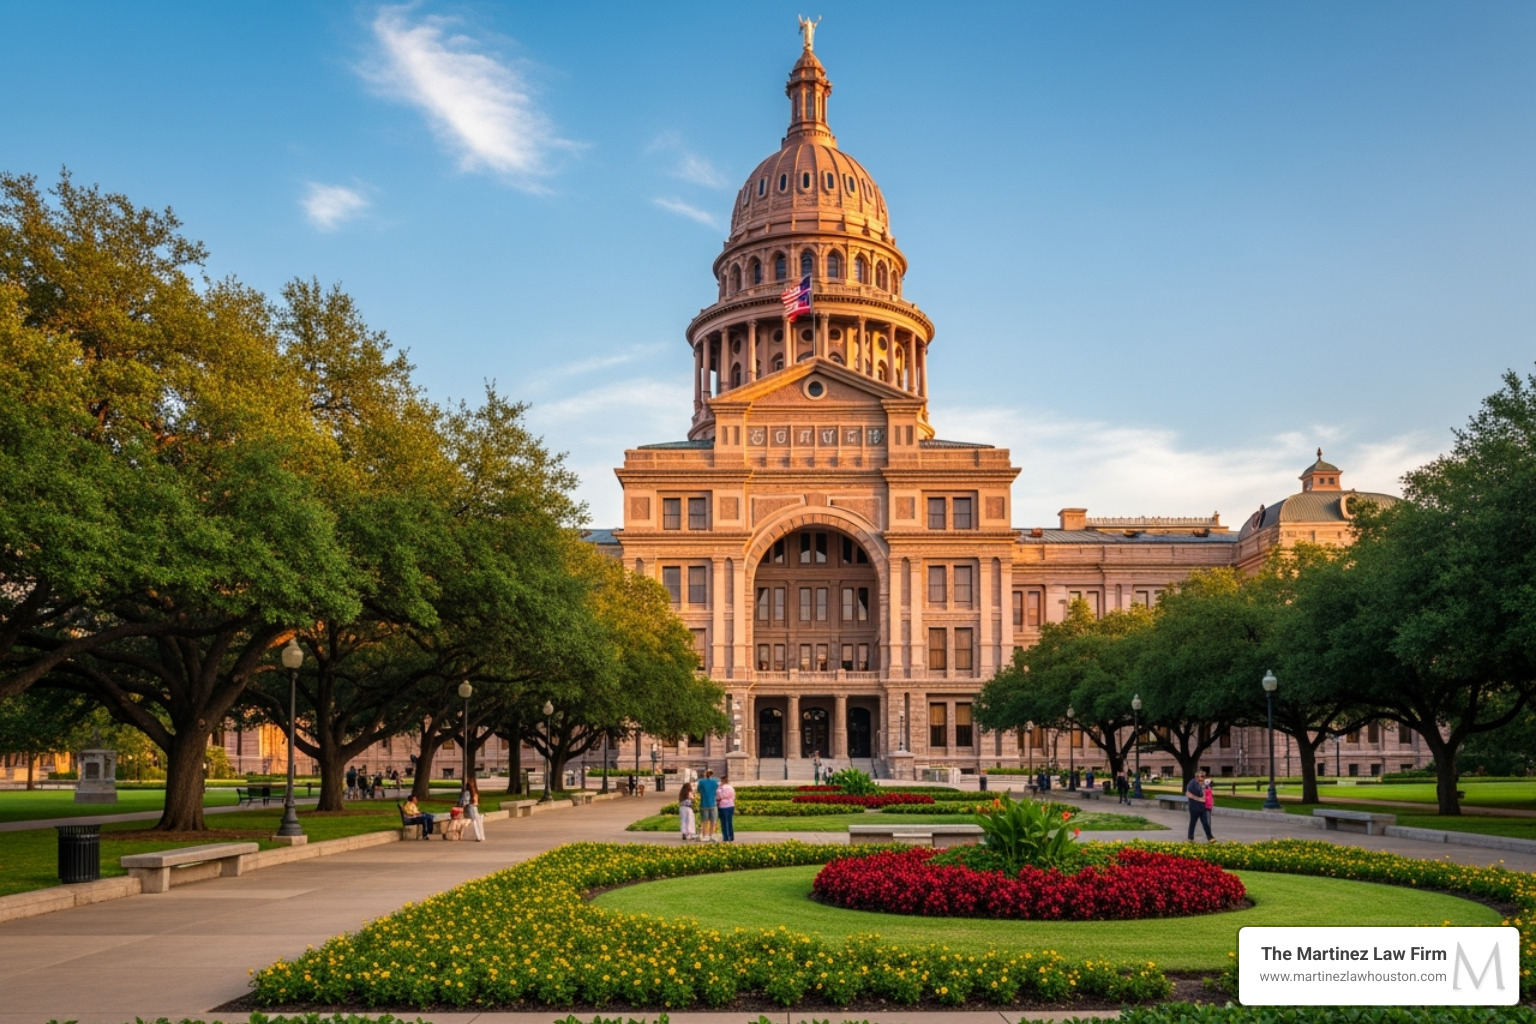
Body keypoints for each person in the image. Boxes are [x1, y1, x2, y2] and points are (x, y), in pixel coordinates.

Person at [1186, 771, 1214, 842]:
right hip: (1194, 806)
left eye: (1204, 776)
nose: (1203, 778)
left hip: (1202, 807)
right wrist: (1198, 799)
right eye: (1202, 776)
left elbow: (1207, 793)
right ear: (1197, 777)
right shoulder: (1192, 783)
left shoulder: (1205, 784)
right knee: (1193, 822)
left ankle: (1210, 837)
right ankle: (1190, 837)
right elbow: (1188, 794)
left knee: (1205, 822)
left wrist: (1207, 788)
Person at [695, 768, 720, 841]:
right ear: (712, 774)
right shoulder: (715, 782)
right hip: (713, 804)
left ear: (705, 774)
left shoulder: (701, 782)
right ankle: (711, 835)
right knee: (713, 821)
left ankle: (704, 835)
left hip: (704, 804)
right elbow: (717, 792)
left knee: (704, 821)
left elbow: (698, 790)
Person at [717, 774, 736, 842]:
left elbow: (719, 796)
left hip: (723, 805)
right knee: (729, 821)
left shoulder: (721, 788)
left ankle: (726, 837)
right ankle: (731, 836)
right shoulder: (731, 787)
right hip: (731, 805)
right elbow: (734, 796)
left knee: (724, 822)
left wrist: (719, 788)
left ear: (722, 780)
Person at [1201, 769, 1217, 842]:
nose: (1212, 785)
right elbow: (1206, 799)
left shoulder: (1208, 790)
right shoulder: (1206, 790)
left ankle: (1209, 834)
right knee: (1207, 821)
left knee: (1208, 821)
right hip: (1206, 807)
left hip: (1209, 806)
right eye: (1211, 784)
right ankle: (1209, 835)